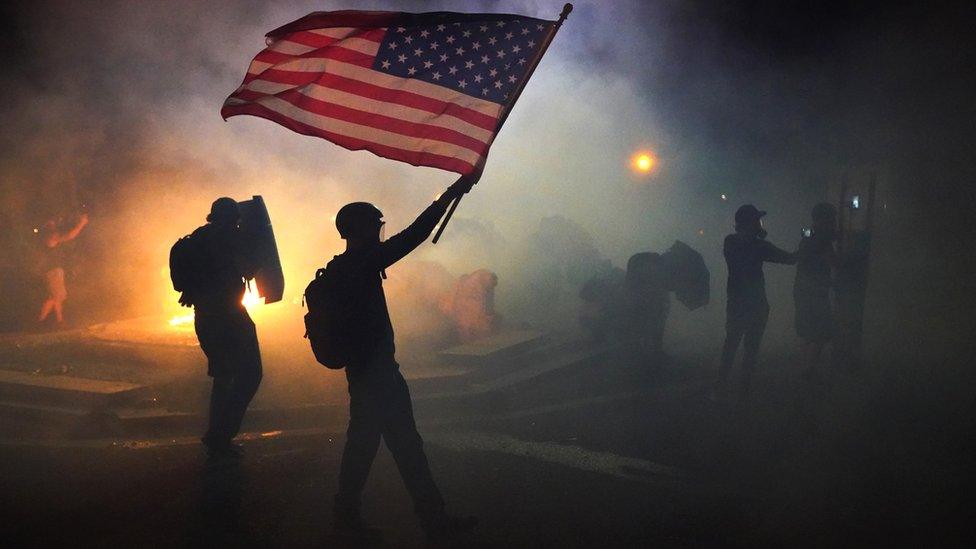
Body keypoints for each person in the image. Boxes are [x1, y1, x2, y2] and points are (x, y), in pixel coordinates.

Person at [328, 175, 478, 541]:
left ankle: (351, 518)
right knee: (404, 448)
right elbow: (414, 235)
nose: (381, 232)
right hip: (377, 376)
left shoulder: (339, 267)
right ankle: (433, 521)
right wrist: (448, 196)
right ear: (362, 229)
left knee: (367, 448)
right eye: (376, 226)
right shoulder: (363, 263)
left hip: (365, 373)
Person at [188, 197, 262, 460]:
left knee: (222, 377)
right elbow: (251, 270)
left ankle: (216, 435)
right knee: (251, 373)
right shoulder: (231, 239)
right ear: (233, 218)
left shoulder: (197, 238)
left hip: (205, 317)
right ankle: (222, 434)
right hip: (231, 317)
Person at [717, 205, 796, 399]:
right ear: (751, 223)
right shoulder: (759, 245)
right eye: (757, 221)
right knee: (750, 348)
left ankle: (720, 386)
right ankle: (743, 389)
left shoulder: (730, 241)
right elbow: (789, 259)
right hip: (756, 303)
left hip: (736, 301)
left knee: (731, 345)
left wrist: (759, 236)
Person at [794, 203, 837, 383]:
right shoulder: (822, 238)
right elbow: (832, 261)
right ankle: (808, 370)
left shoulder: (808, 235)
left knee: (809, 331)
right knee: (822, 331)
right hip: (814, 291)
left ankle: (806, 367)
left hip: (802, 289)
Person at [36, 212, 89, 325]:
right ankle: (40, 321)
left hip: (55, 271)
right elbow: (70, 236)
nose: (54, 223)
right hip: (53, 271)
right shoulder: (50, 236)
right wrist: (81, 224)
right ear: (47, 225)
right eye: (52, 222)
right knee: (54, 297)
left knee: (56, 297)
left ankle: (59, 321)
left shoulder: (49, 235)